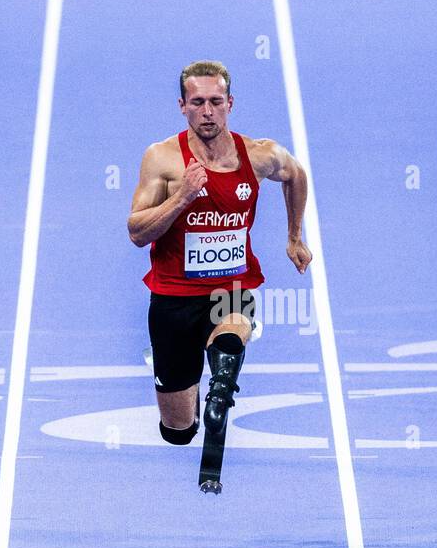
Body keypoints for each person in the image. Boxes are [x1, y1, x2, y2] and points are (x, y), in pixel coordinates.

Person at [127, 60, 311, 479]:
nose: (207, 111)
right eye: (197, 102)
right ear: (182, 106)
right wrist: (182, 199)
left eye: (215, 101)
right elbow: (137, 232)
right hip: (173, 299)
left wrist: (295, 235)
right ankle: (191, 399)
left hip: (230, 288)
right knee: (177, 431)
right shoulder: (163, 159)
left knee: (231, 337)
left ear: (230, 103)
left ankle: (222, 389)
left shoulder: (259, 154)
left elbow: (295, 173)